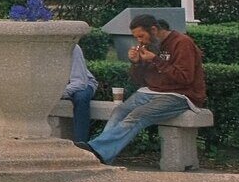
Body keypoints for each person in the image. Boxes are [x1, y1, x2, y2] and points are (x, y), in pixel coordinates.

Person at [81, 15, 206, 165]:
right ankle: (102, 156)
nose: (139, 40)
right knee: (120, 111)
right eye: (136, 37)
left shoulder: (182, 43)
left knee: (138, 115)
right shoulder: (150, 45)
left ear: (153, 30)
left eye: (141, 36)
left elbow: (185, 78)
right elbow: (139, 80)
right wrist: (136, 63)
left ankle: (94, 150)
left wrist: (155, 60)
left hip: (180, 94)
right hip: (151, 91)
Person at [64, 42, 99, 143]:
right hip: (58, 87)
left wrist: (57, 94)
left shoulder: (72, 47)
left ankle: (81, 143)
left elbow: (79, 82)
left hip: (82, 83)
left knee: (81, 98)